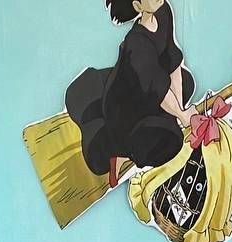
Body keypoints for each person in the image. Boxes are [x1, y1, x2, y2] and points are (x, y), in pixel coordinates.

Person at [66, 0, 195, 187]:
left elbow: (172, 59)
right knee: (172, 141)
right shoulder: (137, 42)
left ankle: (133, 143)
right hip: (123, 107)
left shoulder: (163, 11)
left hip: (147, 93)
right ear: (137, 5)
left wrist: (181, 111)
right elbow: (157, 88)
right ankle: (121, 153)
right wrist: (183, 116)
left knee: (186, 82)